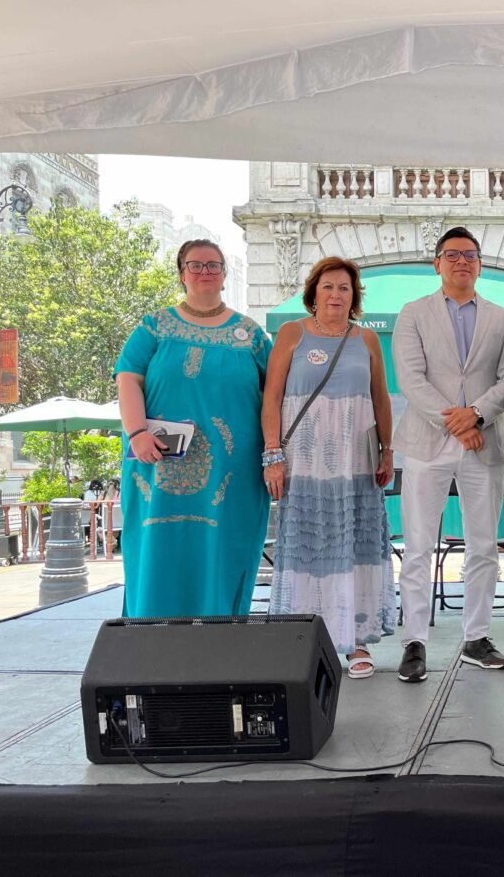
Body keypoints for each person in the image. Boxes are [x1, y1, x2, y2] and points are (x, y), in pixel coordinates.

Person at [115, 239, 270, 617]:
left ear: (224, 274)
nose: (205, 272)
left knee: (224, 547)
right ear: (182, 272)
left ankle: (221, 639)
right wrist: (136, 433)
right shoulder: (154, 327)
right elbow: (127, 378)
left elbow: (276, 394)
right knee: (158, 547)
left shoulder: (250, 335)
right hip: (155, 462)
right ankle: (150, 641)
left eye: (214, 265)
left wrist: (275, 453)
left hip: (233, 470)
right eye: (196, 265)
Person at [262, 256, 396, 678]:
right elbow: (272, 399)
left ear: (354, 296)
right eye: (328, 287)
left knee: (354, 543)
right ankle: (302, 638)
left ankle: (356, 642)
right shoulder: (291, 334)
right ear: (313, 293)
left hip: (356, 459)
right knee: (309, 543)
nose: (337, 294)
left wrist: (387, 450)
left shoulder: (366, 340)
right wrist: (272, 454)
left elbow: (381, 398)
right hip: (304, 459)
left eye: (344, 288)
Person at [392, 227, 504, 682]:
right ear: (437, 264)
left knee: (483, 545)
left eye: (470, 255)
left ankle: (476, 637)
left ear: (480, 265)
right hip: (427, 442)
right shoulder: (413, 314)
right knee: (419, 546)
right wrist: (456, 423)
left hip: (483, 444)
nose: (461, 261)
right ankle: (414, 642)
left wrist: (476, 417)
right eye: (452, 255)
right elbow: (410, 377)